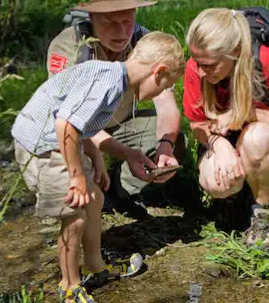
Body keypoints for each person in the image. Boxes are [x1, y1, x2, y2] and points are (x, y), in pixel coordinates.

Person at [12, 32, 185, 303]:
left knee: (95, 199)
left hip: (63, 141)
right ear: (157, 71)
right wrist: (77, 175)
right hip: (42, 145)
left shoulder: (116, 79)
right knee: (74, 216)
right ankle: (69, 286)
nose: (160, 94)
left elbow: (85, 126)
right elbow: (65, 125)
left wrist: (102, 158)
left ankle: (96, 267)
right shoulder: (107, 82)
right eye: (164, 86)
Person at [47, 0, 184, 213]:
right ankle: (90, 187)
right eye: (110, 23)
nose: (121, 32)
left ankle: (119, 190)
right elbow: (72, 122)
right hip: (77, 131)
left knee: (173, 138)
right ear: (91, 17)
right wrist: (124, 152)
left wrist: (165, 145)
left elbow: (166, 106)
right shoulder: (70, 48)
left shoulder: (146, 42)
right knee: (72, 155)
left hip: (122, 124)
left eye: (127, 21)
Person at [182, 8, 269, 251]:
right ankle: (235, 202)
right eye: (196, 62)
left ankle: (262, 213)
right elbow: (197, 124)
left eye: (208, 65)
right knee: (215, 182)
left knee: (256, 138)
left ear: (234, 53)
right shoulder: (197, 66)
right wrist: (220, 146)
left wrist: (249, 114)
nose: (199, 71)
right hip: (224, 140)